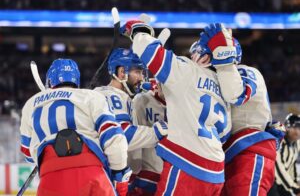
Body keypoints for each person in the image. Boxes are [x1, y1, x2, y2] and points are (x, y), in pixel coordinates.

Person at [120, 19, 232, 195]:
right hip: (216, 172)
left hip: (189, 165)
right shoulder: (224, 89)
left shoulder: (188, 70)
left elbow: (150, 52)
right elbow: (224, 134)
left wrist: (139, 30)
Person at [193, 24, 285, 196]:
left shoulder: (246, 71)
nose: (196, 59)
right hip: (224, 156)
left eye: (202, 53)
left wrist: (223, 60)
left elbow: (236, 94)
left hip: (248, 150)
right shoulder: (210, 79)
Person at [20, 59, 129, 196]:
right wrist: (119, 173)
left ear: (49, 80)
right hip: (91, 173)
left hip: (50, 179)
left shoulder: (31, 104)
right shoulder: (92, 96)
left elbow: (27, 152)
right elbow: (114, 138)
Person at [130, 78, 166, 195]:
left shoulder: (185, 103)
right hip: (147, 175)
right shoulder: (141, 100)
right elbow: (134, 139)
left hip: (174, 173)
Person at [268, 113, 300, 196]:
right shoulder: (279, 141)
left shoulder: (296, 144)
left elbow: (292, 166)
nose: (297, 131)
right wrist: (295, 188)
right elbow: (278, 169)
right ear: (287, 127)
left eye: (299, 128)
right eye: (294, 127)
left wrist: (296, 182)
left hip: (282, 182)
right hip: (272, 181)